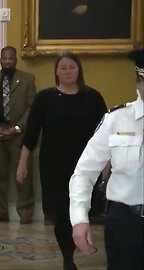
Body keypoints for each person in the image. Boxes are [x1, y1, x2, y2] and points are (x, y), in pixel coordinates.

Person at [16, 52, 107, 270]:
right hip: (54, 166)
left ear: (79, 70)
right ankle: (68, 257)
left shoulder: (93, 97)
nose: (67, 71)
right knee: (62, 212)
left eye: (71, 67)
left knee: (81, 210)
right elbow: (31, 134)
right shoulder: (44, 98)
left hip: (86, 165)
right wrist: (22, 163)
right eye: (63, 68)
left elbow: (105, 134)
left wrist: (106, 164)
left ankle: (77, 244)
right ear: (56, 71)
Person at [70, 49, 144, 270]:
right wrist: (79, 218)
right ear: (138, 82)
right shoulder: (117, 119)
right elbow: (84, 172)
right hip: (126, 224)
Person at [0, 46, 36, 224]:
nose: (8, 61)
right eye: (5, 58)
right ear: (0, 59)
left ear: (16, 59)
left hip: (18, 134)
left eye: (11, 58)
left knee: (23, 175)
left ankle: (25, 211)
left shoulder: (27, 79)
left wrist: (18, 128)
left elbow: (31, 107)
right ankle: (0, 211)